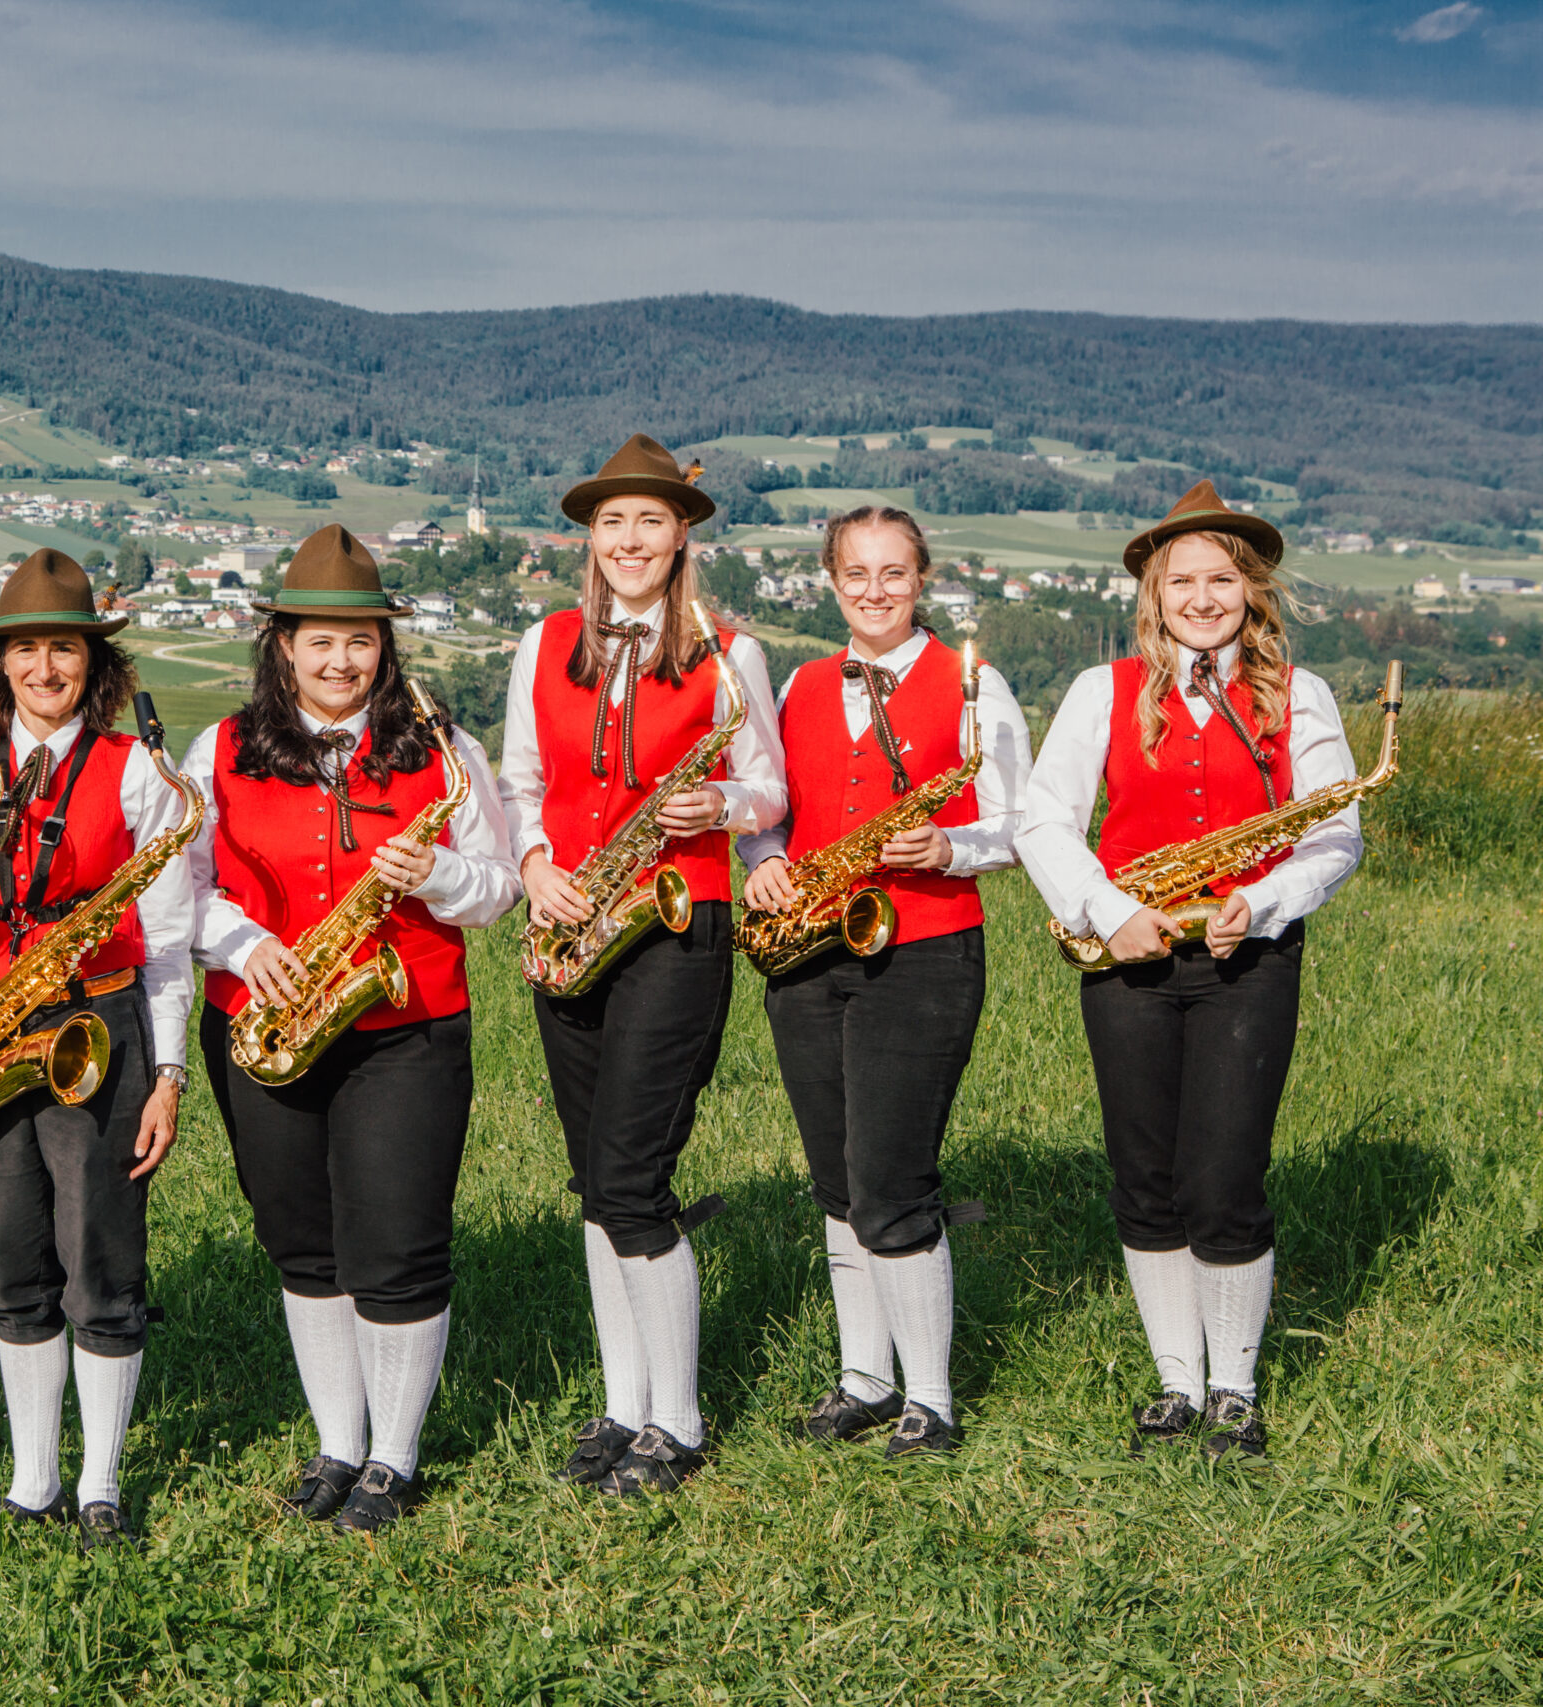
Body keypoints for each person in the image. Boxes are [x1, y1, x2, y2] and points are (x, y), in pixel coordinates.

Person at [184, 524, 519, 1534]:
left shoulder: (443, 747)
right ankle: (338, 1441)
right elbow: (180, 890)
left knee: (398, 1245)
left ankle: (394, 1456)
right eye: (319, 639)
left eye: (360, 640)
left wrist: (445, 877)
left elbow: (500, 887)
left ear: (386, 646)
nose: (340, 660)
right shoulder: (219, 748)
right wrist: (243, 947)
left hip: (405, 1023)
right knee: (302, 1245)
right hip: (266, 1022)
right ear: (281, 642)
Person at [1017, 481, 1362, 1461]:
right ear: (1153, 595)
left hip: (1246, 960)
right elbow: (1042, 817)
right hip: (1130, 961)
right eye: (1182, 582)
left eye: (1221, 579)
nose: (1202, 598)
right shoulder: (1102, 693)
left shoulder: (1303, 697)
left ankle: (1234, 1388)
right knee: (1146, 1178)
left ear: (1252, 591)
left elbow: (1336, 837)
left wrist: (1266, 903)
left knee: (1224, 1178)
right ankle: (1175, 1381)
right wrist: (1110, 911)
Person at [497, 433, 787, 1497]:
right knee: (593, 1186)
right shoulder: (545, 644)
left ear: (681, 537)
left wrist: (722, 807)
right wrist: (533, 866)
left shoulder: (730, 653)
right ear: (590, 535)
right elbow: (520, 784)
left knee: (632, 1180)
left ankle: (681, 1419)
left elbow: (770, 795)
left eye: (650, 522)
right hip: (570, 928)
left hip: (676, 923)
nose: (629, 540)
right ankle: (622, 1409)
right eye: (612, 521)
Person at [0, 549, 193, 1552]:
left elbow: (163, 943)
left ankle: (101, 1480)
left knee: (100, 1258)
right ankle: (34, 1479)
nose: (43, 667)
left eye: (62, 648)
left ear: (92, 663)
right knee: (9, 1252)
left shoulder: (139, 773)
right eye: (26, 647)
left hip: (98, 1027)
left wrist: (166, 1074)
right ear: (1, 662)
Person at [737, 505, 1031, 1458]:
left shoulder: (976, 682)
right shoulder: (804, 680)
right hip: (812, 946)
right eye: (856, 573)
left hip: (926, 950)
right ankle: (864, 1378)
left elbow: (1026, 824)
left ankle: (931, 1399)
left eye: (894, 573)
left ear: (922, 579)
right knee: (836, 1180)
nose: (874, 589)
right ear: (830, 581)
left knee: (892, 1180)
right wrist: (765, 857)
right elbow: (771, 805)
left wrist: (949, 845)